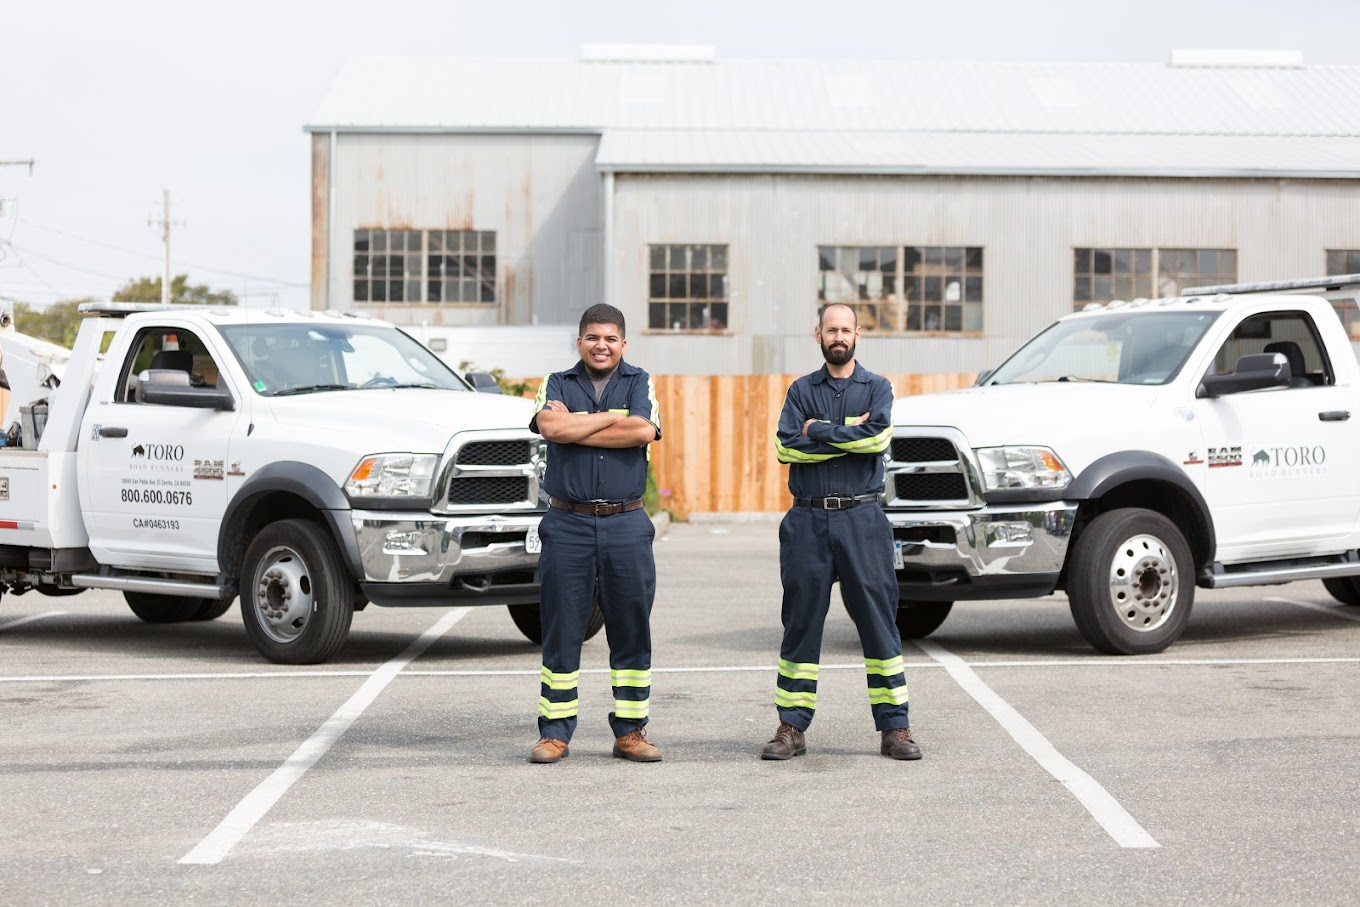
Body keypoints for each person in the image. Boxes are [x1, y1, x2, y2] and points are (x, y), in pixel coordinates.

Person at [762, 302, 922, 761]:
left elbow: (877, 439)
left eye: (845, 330)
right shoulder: (799, 390)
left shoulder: (878, 387)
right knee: (800, 624)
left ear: (857, 335)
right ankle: (791, 727)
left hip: (862, 519)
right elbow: (786, 449)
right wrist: (846, 434)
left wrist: (819, 430)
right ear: (818, 334)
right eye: (831, 329)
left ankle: (896, 729)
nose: (838, 336)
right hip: (807, 521)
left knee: (878, 623)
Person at [527, 303, 663, 764]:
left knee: (631, 628)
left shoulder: (641, 382)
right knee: (562, 627)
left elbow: (643, 431)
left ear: (623, 343)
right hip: (568, 523)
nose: (601, 346)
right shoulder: (555, 383)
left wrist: (577, 425)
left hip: (626, 523)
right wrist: (612, 418)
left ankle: (631, 733)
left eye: (610, 339)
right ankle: (555, 733)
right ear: (579, 341)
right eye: (592, 337)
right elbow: (549, 425)